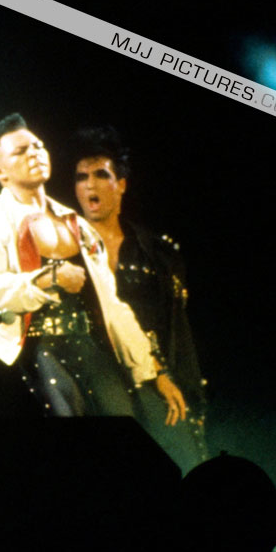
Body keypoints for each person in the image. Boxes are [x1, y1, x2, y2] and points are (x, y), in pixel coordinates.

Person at [0, 113, 185, 424]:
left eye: (38, 146)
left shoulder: (79, 226)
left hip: (88, 349)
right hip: (22, 359)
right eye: (20, 151)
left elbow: (113, 306)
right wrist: (48, 279)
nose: (34, 153)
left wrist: (154, 370)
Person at [71, 126, 208, 470]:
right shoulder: (64, 247)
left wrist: (186, 387)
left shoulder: (156, 253)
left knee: (180, 465)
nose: (90, 185)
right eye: (81, 177)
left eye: (101, 175)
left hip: (156, 379)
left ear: (121, 184)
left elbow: (178, 329)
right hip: (92, 378)